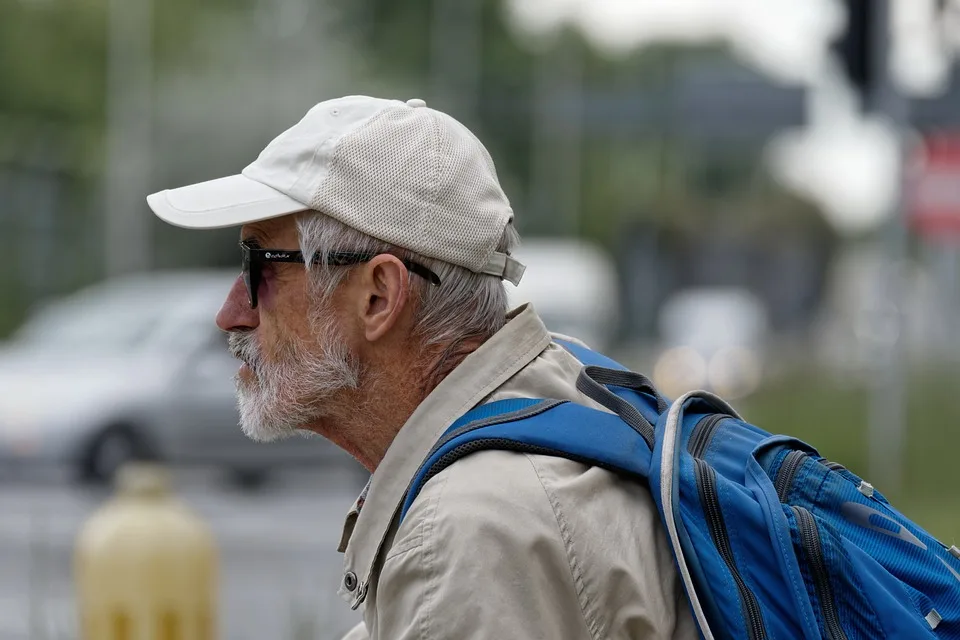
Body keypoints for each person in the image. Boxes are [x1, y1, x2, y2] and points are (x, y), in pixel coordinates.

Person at [146, 95, 697, 639]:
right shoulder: (566, 390)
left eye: (259, 267)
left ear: (378, 297)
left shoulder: (466, 534)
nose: (230, 314)